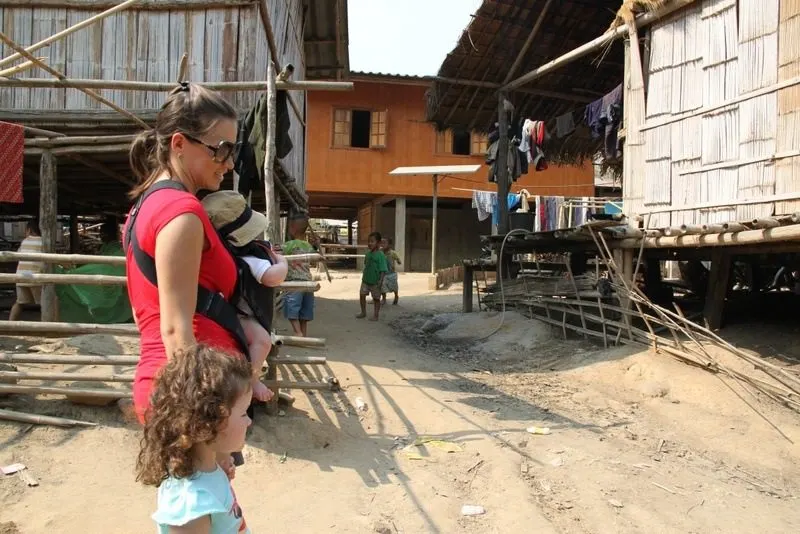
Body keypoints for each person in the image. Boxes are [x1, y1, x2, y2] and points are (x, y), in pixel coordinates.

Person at [124, 82, 245, 475]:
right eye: (220, 149)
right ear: (179, 143)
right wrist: (204, 429)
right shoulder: (181, 212)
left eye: (233, 149)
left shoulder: (150, 204)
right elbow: (177, 333)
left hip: (177, 391)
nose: (229, 162)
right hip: (187, 398)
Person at [136, 345, 253, 534]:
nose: (249, 421)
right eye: (244, 413)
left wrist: (219, 471)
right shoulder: (192, 505)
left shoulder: (207, 471)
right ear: (213, 422)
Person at [202, 190, 289, 402]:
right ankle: (253, 377)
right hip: (240, 315)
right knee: (263, 341)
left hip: (219, 310)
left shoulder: (220, 254)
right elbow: (271, 277)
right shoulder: (250, 257)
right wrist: (282, 263)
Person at [281, 213, 316, 336]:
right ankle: (303, 334)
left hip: (294, 283)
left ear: (292, 228)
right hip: (307, 282)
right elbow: (314, 259)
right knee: (304, 311)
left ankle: (297, 332)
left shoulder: (288, 245)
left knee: (291, 308)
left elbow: (277, 252)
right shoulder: (309, 246)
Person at [9, 219, 44, 321]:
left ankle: (10, 324)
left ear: (29, 230)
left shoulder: (24, 241)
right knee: (46, 302)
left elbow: (18, 255)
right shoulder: (43, 241)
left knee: (19, 302)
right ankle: (49, 325)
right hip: (35, 276)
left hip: (21, 276)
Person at [357, 232, 388, 321]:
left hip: (375, 282)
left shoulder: (381, 255)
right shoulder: (368, 254)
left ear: (378, 243)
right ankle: (363, 312)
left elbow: (383, 270)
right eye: (369, 241)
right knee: (362, 295)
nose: (369, 243)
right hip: (366, 280)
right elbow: (366, 265)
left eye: (372, 241)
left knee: (376, 299)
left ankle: (376, 315)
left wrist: (380, 281)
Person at [380, 237, 401, 306]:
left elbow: (398, 259)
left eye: (384, 243)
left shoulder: (392, 253)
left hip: (391, 273)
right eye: (381, 243)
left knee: (394, 286)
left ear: (389, 245)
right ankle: (384, 298)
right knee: (382, 286)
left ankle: (396, 296)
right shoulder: (380, 252)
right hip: (383, 273)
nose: (382, 244)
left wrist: (398, 261)